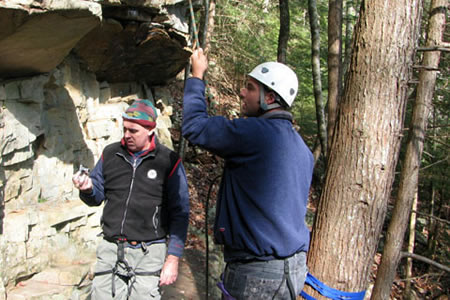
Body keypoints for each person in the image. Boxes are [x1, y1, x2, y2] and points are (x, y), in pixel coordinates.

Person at [182, 49, 314, 300]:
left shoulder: (254, 133)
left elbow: (194, 126)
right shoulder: (302, 149)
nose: (242, 92)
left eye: (250, 88)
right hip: (292, 271)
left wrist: (197, 76)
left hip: (256, 273)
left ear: (270, 97)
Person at [72, 99, 189, 300]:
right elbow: (96, 196)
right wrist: (88, 188)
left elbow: (181, 212)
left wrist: (173, 258)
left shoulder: (168, 161)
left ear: (150, 130)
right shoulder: (111, 153)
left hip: (149, 252)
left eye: (133, 131)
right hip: (111, 247)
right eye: (125, 129)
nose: (127, 135)